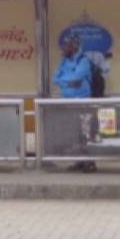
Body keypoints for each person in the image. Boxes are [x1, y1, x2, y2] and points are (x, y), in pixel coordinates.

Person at [52, 32, 96, 171]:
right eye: (64, 45)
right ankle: (79, 161)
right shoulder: (63, 61)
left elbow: (76, 77)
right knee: (73, 133)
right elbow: (55, 78)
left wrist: (66, 80)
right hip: (68, 102)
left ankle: (90, 162)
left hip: (82, 103)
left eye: (67, 45)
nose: (64, 48)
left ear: (75, 46)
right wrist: (68, 82)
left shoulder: (83, 61)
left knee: (85, 133)